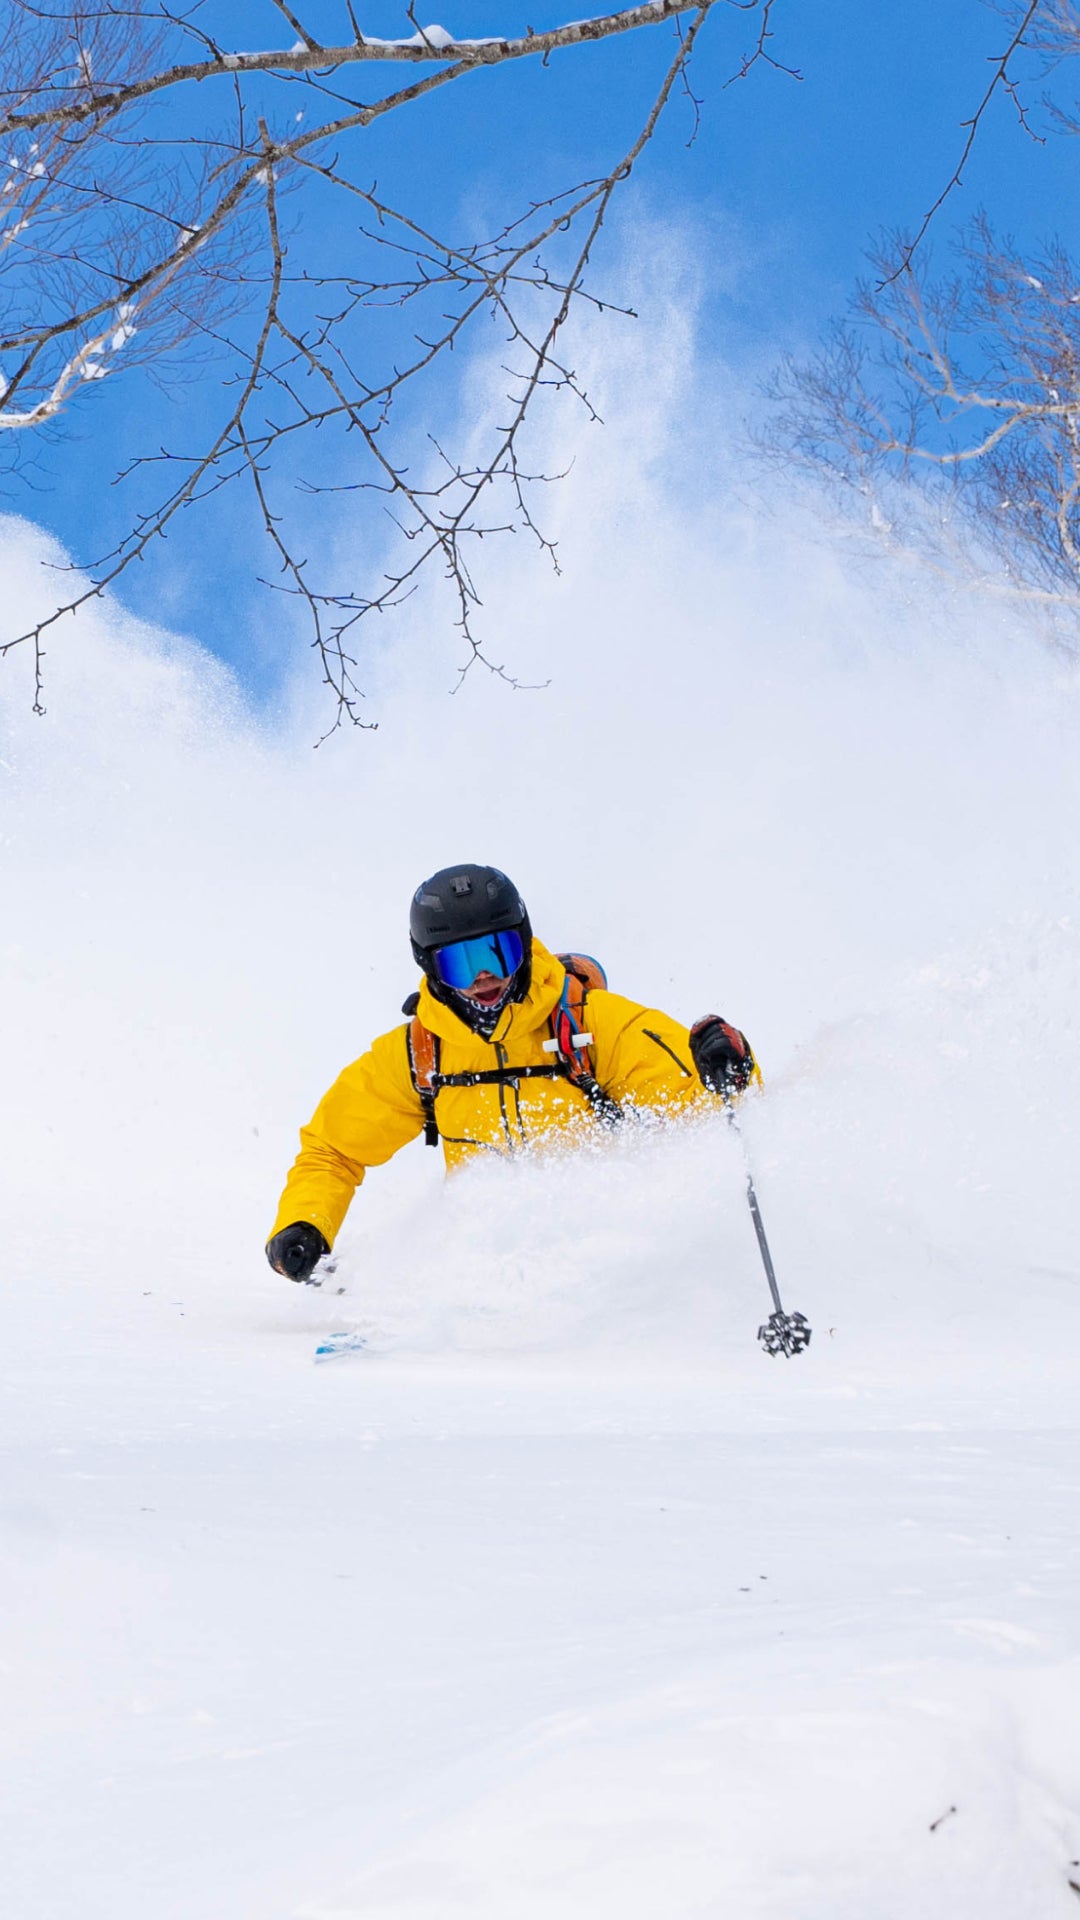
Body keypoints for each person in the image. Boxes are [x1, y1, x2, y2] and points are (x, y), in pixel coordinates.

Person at [266, 864, 760, 1282]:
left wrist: (729, 1065)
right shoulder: (422, 1052)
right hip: (488, 1273)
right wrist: (306, 1223)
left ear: (522, 942)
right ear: (430, 967)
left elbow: (720, 1111)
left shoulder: (593, 1024)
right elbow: (333, 1149)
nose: (484, 975)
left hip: (612, 1264)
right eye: (459, 963)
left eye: (497, 952)